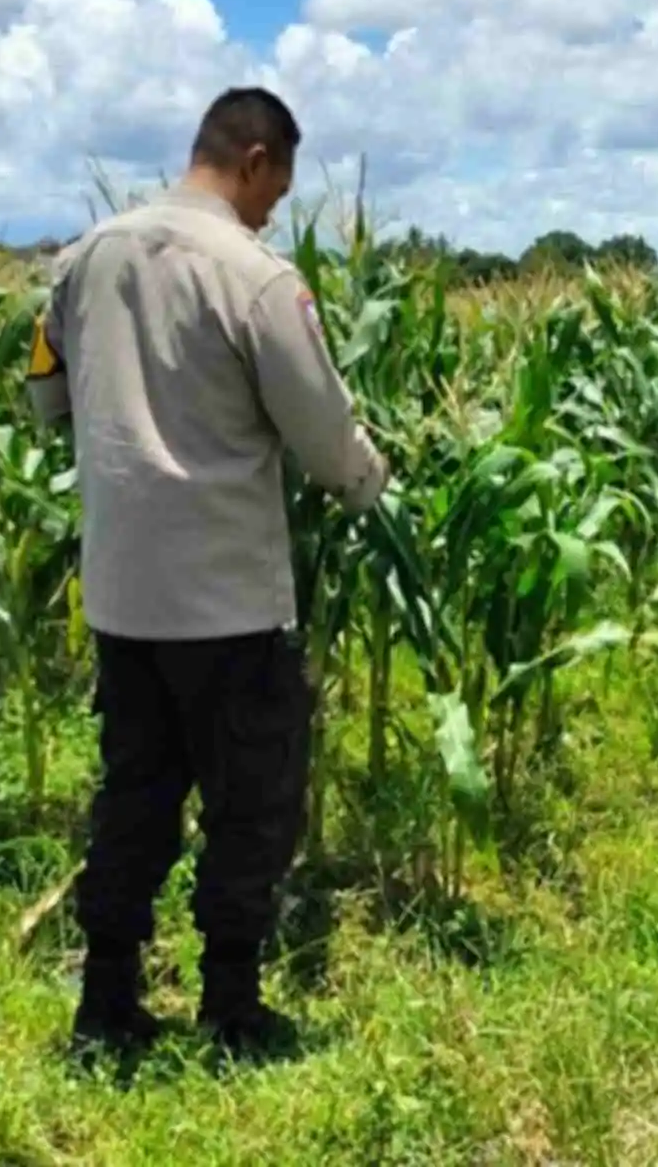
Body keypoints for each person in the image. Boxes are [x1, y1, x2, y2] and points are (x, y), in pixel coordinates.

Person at [27, 86, 388, 1060]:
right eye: (277, 190)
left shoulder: (83, 261)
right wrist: (371, 480)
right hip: (227, 600)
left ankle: (107, 1005)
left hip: (122, 595)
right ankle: (231, 1009)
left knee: (134, 797)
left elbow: (44, 398)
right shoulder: (256, 279)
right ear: (256, 160)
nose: (271, 212)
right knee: (251, 805)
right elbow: (325, 438)